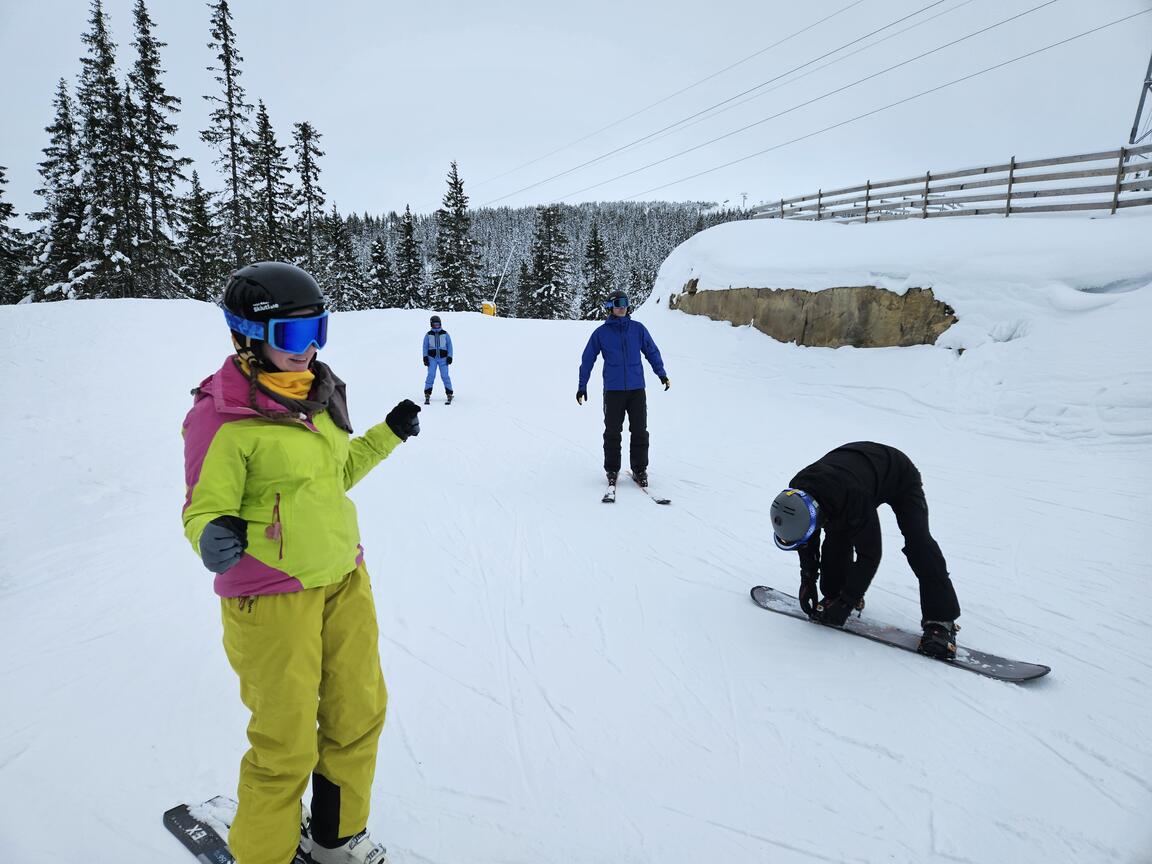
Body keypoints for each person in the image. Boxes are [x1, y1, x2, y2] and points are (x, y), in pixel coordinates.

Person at [182, 261, 420, 864]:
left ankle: (336, 837)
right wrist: (210, 535)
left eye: (318, 328)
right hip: (271, 595)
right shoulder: (222, 416)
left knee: (358, 714)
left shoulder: (319, 394)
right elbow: (201, 508)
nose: (309, 347)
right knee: (286, 744)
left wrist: (385, 436)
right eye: (292, 335)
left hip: (344, 577)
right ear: (248, 337)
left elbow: (334, 476)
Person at [769, 442, 962, 659]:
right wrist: (808, 581)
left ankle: (940, 621)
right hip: (854, 474)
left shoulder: (852, 496)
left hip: (898, 474)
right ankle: (836, 593)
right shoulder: (799, 496)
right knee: (836, 533)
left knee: (918, 542)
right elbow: (807, 540)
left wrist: (847, 601)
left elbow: (870, 554)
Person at [577, 289, 670, 487]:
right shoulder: (601, 333)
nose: (622, 307)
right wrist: (582, 385)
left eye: (625, 303)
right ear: (610, 307)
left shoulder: (638, 329)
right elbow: (587, 359)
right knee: (612, 431)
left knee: (639, 430)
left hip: (637, 389)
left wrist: (661, 373)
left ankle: (640, 469)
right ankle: (612, 469)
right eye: (618, 303)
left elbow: (651, 351)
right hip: (613, 391)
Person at [422, 314, 453, 405]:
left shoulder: (445, 334)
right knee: (431, 375)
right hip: (432, 359)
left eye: (438, 324)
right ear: (431, 325)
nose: (437, 326)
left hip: (443, 358)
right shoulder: (428, 335)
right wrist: (425, 357)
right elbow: (425, 347)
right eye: (435, 324)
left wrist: (450, 356)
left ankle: (449, 393)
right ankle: (427, 392)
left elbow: (450, 346)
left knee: (445, 376)